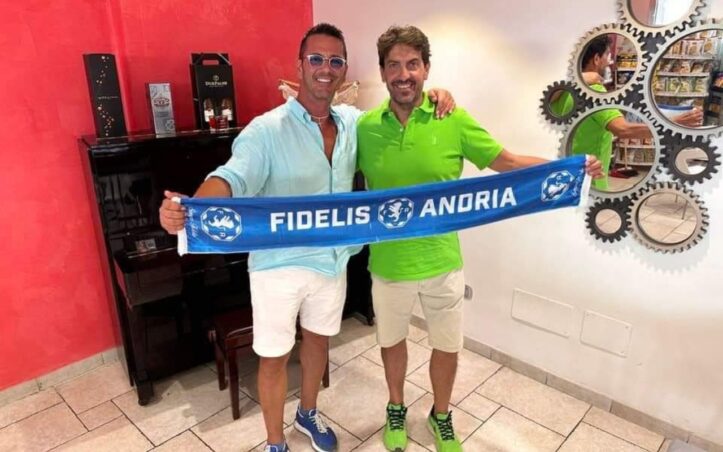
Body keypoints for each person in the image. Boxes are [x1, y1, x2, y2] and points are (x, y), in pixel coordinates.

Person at [159, 23, 454, 452]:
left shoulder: (353, 123)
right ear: (299, 66)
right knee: (275, 356)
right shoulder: (266, 130)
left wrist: (436, 95)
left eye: (335, 61)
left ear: (344, 70)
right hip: (278, 269)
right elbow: (231, 178)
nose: (325, 68)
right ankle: (275, 442)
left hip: (332, 263)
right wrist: (191, 210)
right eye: (316, 59)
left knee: (318, 342)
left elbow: (396, 112)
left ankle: (308, 414)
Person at [355, 25, 603, 452]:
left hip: (442, 263)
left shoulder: (452, 118)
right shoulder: (365, 127)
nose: (403, 74)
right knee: (391, 342)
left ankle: (441, 415)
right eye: (393, 65)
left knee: (446, 346)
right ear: (382, 72)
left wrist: (569, 169)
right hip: (388, 266)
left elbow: (507, 162)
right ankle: (395, 408)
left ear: (426, 68)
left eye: (412, 64)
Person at [552, 35, 702, 190]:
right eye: (607, 55)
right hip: (590, 180)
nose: (609, 61)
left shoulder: (563, 90)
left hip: (565, 171)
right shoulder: (595, 92)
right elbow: (623, 130)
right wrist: (674, 123)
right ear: (596, 59)